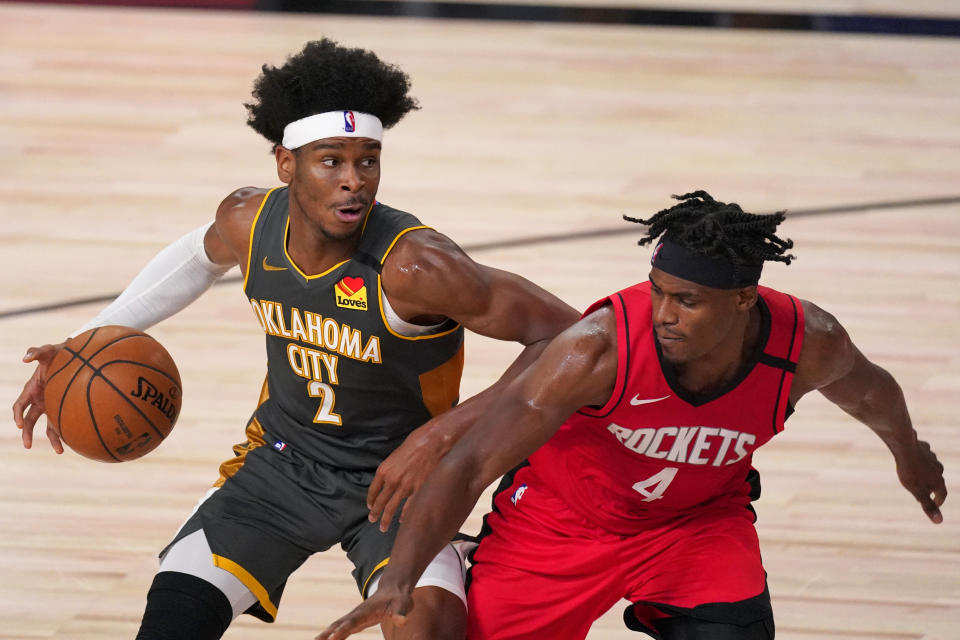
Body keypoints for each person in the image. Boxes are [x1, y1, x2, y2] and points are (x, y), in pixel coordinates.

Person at [12, 39, 579, 640]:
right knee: (171, 619)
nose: (353, 182)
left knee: (429, 629)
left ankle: (453, 559)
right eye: (330, 161)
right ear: (286, 164)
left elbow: (571, 337)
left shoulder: (415, 267)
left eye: (368, 161)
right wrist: (76, 347)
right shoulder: (248, 222)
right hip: (283, 463)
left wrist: (440, 437)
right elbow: (193, 259)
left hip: (400, 482)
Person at [316, 190, 948, 640]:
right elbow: (472, 461)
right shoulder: (597, 348)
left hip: (695, 527)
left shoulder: (808, 342)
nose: (665, 313)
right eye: (659, 293)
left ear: (744, 300)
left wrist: (909, 452)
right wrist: (400, 576)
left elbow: (872, 394)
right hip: (560, 527)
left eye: (688, 301)